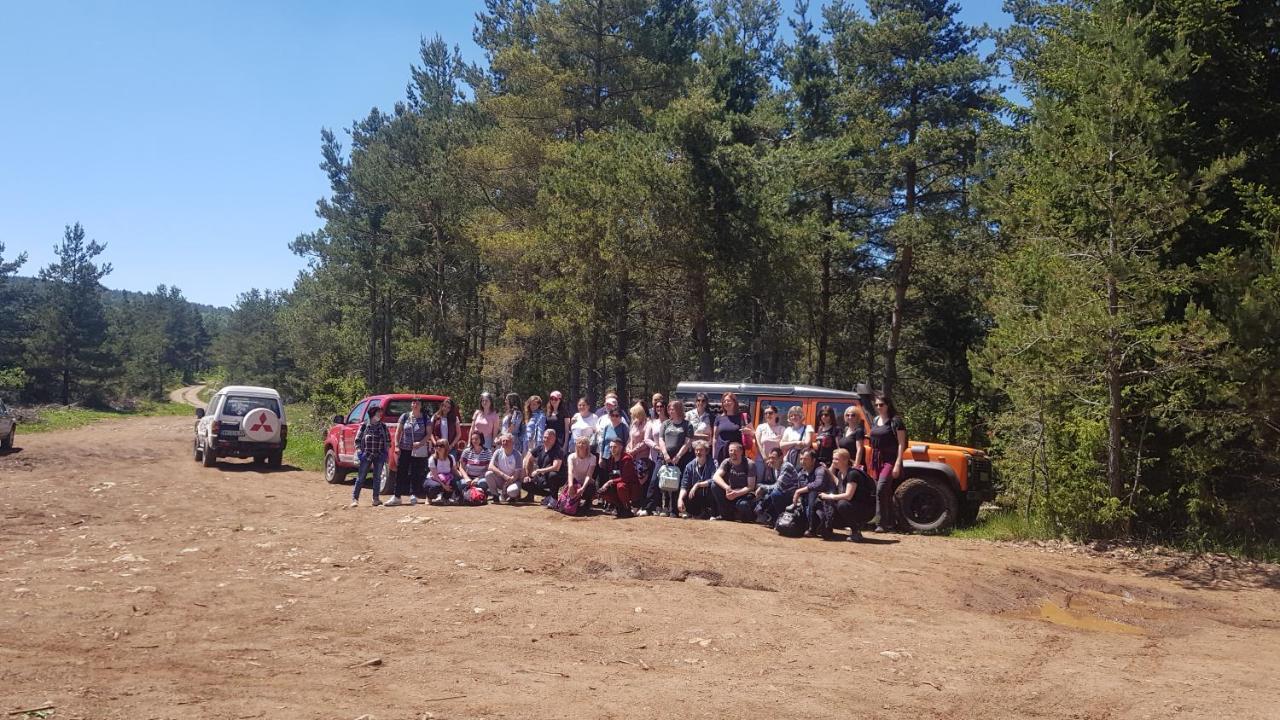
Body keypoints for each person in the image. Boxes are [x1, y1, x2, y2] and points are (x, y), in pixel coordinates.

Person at [818, 448, 877, 542]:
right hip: (853, 506)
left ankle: (856, 531)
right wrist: (827, 471)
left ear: (845, 460)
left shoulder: (853, 474)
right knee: (826, 503)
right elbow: (839, 484)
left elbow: (848, 495)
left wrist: (829, 496)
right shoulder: (841, 473)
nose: (834, 461)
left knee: (842, 504)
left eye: (836, 459)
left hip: (866, 509)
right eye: (833, 459)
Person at [869, 394, 908, 533]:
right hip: (876, 459)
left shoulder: (895, 421)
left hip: (890, 459)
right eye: (877, 405)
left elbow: (901, 444)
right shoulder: (875, 420)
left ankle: (881, 523)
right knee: (884, 491)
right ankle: (892, 523)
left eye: (881, 405)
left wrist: (898, 463)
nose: (879, 407)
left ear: (888, 405)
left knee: (881, 489)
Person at [392, 398, 430, 504]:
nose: (415, 405)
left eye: (418, 403)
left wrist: (420, 443)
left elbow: (428, 434)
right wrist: (396, 445)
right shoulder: (405, 417)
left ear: (421, 405)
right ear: (411, 405)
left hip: (418, 450)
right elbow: (398, 432)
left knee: (416, 473)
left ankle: (413, 494)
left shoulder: (425, 418)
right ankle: (397, 496)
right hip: (404, 448)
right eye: (413, 403)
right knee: (401, 472)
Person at [351, 404, 389, 507]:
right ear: (372, 413)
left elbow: (388, 440)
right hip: (366, 455)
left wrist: (385, 453)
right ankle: (355, 499)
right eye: (378, 412)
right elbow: (357, 441)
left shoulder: (383, 427)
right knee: (361, 477)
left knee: (377, 478)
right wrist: (359, 452)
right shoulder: (364, 426)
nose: (380, 415)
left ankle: (375, 499)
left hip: (379, 456)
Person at [755, 447, 803, 527]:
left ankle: (780, 518)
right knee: (766, 490)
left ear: (781, 458)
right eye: (770, 458)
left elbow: (779, 486)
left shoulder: (786, 466)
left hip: (792, 497)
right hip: (784, 493)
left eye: (773, 458)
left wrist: (762, 487)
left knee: (774, 493)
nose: (771, 460)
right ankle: (768, 516)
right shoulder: (776, 468)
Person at [789, 449, 832, 537]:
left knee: (813, 493)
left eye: (805, 459)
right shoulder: (801, 473)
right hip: (807, 504)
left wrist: (799, 491)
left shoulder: (820, 469)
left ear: (813, 460)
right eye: (801, 459)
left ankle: (814, 528)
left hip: (825, 505)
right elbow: (798, 488)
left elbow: (818, 484)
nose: (802, 462)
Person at [710, 441, 756, 522]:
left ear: (741, 451)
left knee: (743, 505)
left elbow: (750, 487)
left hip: (744, 494)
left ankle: (748, 517)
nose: (732, 453)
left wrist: (736, 493)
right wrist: (727, 487)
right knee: (714, 485)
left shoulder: (750, 464)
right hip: (730, 492)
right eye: (730, 450)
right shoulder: (727, 462)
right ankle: (726, 515)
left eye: (735, 450)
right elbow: (716, 476)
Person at [595, 437, 639, 519]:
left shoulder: (627, 459)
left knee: (620, 486)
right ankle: (618, 507)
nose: (612, 449)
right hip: (615, 485)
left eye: (615, 447)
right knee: (603, 492)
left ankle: (627, 508)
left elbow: (626, 478)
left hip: (629, 487)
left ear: (621, 447)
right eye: (611, 447)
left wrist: (609, 482)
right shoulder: (611, 459)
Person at [553, 436, 598, 516]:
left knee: (590, 487)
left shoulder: (593, 458)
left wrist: (583, 488)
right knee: (569, 490)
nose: (581, 445)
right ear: (576, 445)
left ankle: (587, 503)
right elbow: (570, 472)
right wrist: (570, 485)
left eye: (583, 443)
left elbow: (589, 475)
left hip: (586, 482)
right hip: (574, 480)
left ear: (587, 446)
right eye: (579, 443)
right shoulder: (571, 457)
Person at [626, 403, 657, 515]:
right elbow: (630, 439)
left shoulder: (648, 424)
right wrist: (628, 449)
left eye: (634, 414)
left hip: (643, 457)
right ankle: (635, 504)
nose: (632, 416)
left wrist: (634, 451)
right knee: (634, 482)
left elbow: (645, 442)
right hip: (632, 456)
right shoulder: (634, 424)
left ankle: (643, 505)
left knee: (642, 482)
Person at [523, 428, 565, 504]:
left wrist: (539, 471)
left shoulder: (558, 450)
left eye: (548, 438)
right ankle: (548, 495)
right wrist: (528, 475)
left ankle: (554, 499)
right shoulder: (540, 448)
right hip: (543, 477)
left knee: (552, 475)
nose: (545, 439)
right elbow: (529, 459)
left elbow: (556, 467)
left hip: (557, 477)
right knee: (525, 483)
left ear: (554, 439)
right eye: (544, 437)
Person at [677, 440, 716, 519]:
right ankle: (697, 512)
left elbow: (714, 479)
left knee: (714, 486)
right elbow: (684, 485)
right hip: (696, 495)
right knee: (683, 493)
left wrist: (698, 485)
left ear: (706, 451)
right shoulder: (689, 466)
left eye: (701, 450)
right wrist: (680, 499)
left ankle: (713, 512)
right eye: (696, 450)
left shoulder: (713, 463)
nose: (698, 452)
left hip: (709, 494)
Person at [711, 392, 754, 463]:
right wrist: (714, 455)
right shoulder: (718, 418)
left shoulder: (742, 417)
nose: (726, 403)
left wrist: (748, 432)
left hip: (736, 454)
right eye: (724, 401)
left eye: (728, 400)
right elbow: (715, 438)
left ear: (734, 402)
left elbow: (753, 433)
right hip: (721, 453)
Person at [486, 433, 525, 503]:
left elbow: (517, 475)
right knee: (488, 474)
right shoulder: (498, 452)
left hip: (513, 480)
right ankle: (495, 495)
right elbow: (490, 466)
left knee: (512, 491)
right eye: (503, 441)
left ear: (512, 442)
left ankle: (513, 495)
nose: (505, 443)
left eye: (507, 441)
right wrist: (503, 475)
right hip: (502, 478)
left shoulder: (517, 455)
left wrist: (508, 483)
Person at [753, 404, 785, 484]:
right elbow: (758, 443)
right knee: (758, 481)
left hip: (776, 460)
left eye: (770, 413)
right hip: (761, 459)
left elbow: (782, 446)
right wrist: (765, 458)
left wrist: (773, 459)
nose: (768, 415)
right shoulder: (760, 427)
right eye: (765, 413)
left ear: (776, 414)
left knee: (776, 483)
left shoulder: (782, 429)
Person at [424, 439, 461, 504]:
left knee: (457, 483)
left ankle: (445, 498)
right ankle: (429, 497)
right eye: (436, 445)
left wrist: (463, 478)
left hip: (447, 478)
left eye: (441, 446)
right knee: (436, 486)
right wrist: (444, 486)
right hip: (434, 479)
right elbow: (435, 476)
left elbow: (454, 471)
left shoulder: (451, 458)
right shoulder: (432, 459)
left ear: (446, 447)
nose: (438, 447)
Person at [838, 403, 870, 470]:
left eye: (853, 415)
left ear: (857, 417)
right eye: (847, 415)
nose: (850, 417)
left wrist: (856, 465)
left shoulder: (859, 431)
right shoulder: (845, 430)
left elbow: (859, 449)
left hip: (854, 464)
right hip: (844, 464)